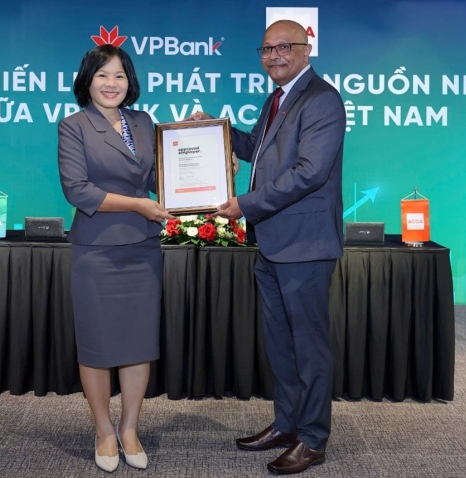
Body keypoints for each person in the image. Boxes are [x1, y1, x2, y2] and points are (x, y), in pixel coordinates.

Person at [191, 19, 346, 474]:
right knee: (281, 345)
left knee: (309, 347)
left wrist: (245, 204)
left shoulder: (322, 99)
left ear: (305, 49)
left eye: (284, 47)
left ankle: (312, 438)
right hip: (273, 243)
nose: (274, 56)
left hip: (306, 246)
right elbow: (257, 150)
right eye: (266, 49)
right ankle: (287, 424)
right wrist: (216, 130)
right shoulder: (277, 99)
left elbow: (309, 172)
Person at [58, 44, 174, 473]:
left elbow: (161, 177)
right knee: (97, 345)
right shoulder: (73, 126)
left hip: (142, 247)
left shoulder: (142, 122)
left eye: (119, 75)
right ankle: (104, 430)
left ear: (131, 81)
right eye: (102, 75)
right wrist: (138, 204)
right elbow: (78, 190)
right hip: (97, 250)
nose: (112, 83)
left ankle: (129, 428)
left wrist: (214, 171)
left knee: (138, 343)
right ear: (87, 81)